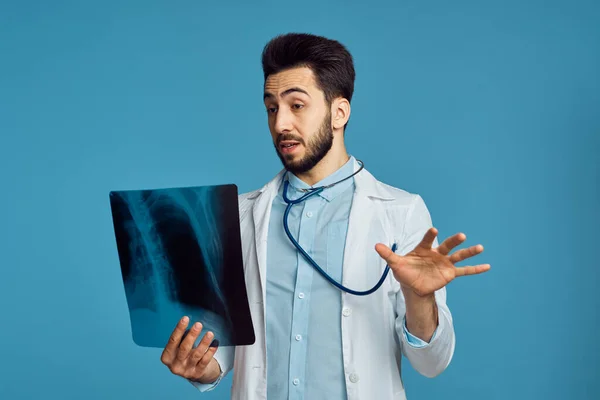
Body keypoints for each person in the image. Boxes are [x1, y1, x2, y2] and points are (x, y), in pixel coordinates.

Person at [160, 32, 490, 400]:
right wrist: (200, 367)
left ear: (339, 112)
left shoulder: (400, 212)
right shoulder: (239, 215)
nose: (281, 123)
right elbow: (222, 349)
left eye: (296, 105)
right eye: (272, 108)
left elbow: (432, 363)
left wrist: (420, 298)